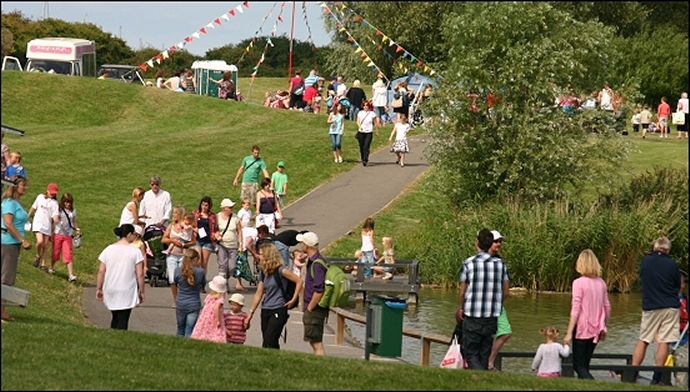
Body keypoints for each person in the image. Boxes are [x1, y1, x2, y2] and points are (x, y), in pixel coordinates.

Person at [457, 228, 510, 370]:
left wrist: (462, 307)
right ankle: (482, 377)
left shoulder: (469, 263)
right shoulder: (501, 264)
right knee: (484, 353)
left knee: (471, 353)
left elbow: (463, 291)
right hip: (491, 317)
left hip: (472, 315)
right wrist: (497, 305)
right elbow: (506, 291)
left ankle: (480, 378)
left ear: (477, 243)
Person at [631, 236, 681, 382]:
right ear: (668, 250)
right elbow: (677, 285)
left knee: (644, 339)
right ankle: (656, 376)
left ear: (654, 247)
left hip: (650, 305)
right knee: (664, 341)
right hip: (670, 306)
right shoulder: (672, 265)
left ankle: (633, 372)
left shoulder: (645, 262)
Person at [561, 249, 610, 379]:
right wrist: (604, 326)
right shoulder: (601, 283)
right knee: (585, 363)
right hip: (596, 329)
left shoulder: (578, 283)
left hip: (582, 328)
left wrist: (568, 333)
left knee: (578, 366)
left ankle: (593, 384)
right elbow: (607, 307)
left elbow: (576, 308)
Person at [245, 242, 302, 349]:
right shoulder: (264, 271)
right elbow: (259, 293)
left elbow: (299, 281)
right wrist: (250, 314)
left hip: (278, 308)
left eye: (260, 254)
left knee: (270, 339)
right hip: (266, 308)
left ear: (268, 255)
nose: (258, 256)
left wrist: (294, 299)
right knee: (267, 343)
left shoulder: (281, 270)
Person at [96, 224, 145, 330]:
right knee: (124, 318)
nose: (135, 237)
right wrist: (141, 291)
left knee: (115, 316)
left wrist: (99, 288)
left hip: (111, 287)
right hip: (127, 289)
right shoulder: (135, 251)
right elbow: (140, 274)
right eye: (134, 234)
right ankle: (121, 339)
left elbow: (101, 271)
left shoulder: (108, 249)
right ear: (129, 234)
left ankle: (113, 337)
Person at [1, 176, 31, 322]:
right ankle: (1, 310)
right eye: (23, 185)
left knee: (6, 275)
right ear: (14, 186)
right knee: (7, 276)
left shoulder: (15, 202)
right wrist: (22, 239)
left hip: (10, 244)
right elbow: (8, 223)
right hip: (8, 243)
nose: (25, 188)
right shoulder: (9, 203)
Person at [298, 231, 329, 355]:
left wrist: (310, 308)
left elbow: (319, 289)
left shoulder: (317, 265)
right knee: (313, 341)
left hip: (314, 308)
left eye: (302, 243)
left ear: (306, 245)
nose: (300, 245)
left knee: (316, 342)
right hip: (314, 306)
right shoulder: (316, 260)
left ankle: (321, 366)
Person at [162, 205, 197, 306]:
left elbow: (194, 242)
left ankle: (183, 298)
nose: (173, 215)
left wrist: (185, 245)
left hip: (184, 256)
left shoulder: (187, 227)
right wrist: (172, 240)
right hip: (172, 255)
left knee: (183, 278)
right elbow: (163, 239)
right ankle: (176, 299)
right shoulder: (171, 226)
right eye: (173, 213)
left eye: (175, 213)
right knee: (172, 279)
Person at [174, 248, 206, 337]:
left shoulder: (177, 270)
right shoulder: (200, 272)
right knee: (190, 329)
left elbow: (175, 283)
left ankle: (176, 347)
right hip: (194, 303)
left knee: (180, 328)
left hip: (181, 302)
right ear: (195, 259)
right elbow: (202, 285)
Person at [28, 182, 59, 271]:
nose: (52, 194)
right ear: (47, 190)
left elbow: (54, 215)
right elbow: (33, 207)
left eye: (54, 193)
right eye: (51, 192)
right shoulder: (40, 197)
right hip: (38, 223)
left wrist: (56, 220)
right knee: (40, 241)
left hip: (47, 225)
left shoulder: (54, 203)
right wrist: (28, 216)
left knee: (45, 245)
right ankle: (38, 255)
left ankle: (43, 264)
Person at [214, 198, 244, 291]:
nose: (232, 209)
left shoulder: (235, 218)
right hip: (222, 244)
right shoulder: (217, 217)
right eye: (230, 207)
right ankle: (221, 286)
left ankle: (224, 280)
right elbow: (214, 230)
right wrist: (217, 235)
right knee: (222, 265)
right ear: (224, 208)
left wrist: (240, 244)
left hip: (233, 246)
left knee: (232, 267)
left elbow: (239, 231)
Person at [50, 192, 80, 281]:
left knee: (68, 254)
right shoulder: (58, 210)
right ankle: (51, 267)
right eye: (66, 202)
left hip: (67, 235)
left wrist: (77, 229)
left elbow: (74, 221)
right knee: (55, 253)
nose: (68, 204)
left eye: (69, 202)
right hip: (58, 234)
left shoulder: (72, 211)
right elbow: (53, 219)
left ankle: (71, 274)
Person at [190, 275, 227, 343]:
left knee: (205, 326)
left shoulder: (209, 296)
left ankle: (202, 336)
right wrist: (218, 320)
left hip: (206, 316)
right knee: (215, 328)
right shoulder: (220, 299)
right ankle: (216, 339)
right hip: (214, 317)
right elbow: (216, 308)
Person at [192, 196, 217, 279]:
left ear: (209, 206)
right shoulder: (196, 213)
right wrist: (195, 229)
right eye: (203, 204)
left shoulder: (212, 216)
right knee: (197, 261)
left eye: (206, 205)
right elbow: (189, 223)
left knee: (204, 263)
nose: (204, 207)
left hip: (207, 241)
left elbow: (214, 228)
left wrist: (215, 235)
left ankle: (202, 280)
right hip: (198, 239)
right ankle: (197, 278)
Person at [355, 101, 377, 167]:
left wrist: (376, 129)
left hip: (369, 132)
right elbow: (358, 121)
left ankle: (365, 159)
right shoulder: (360, 113)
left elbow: (375, 122)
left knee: (366, 146)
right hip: (361, 132)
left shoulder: (372, 113)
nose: (365, 107)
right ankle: (362, 157)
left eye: (367, 105)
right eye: (364, 105)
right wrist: (360, 127)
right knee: (361, 146)